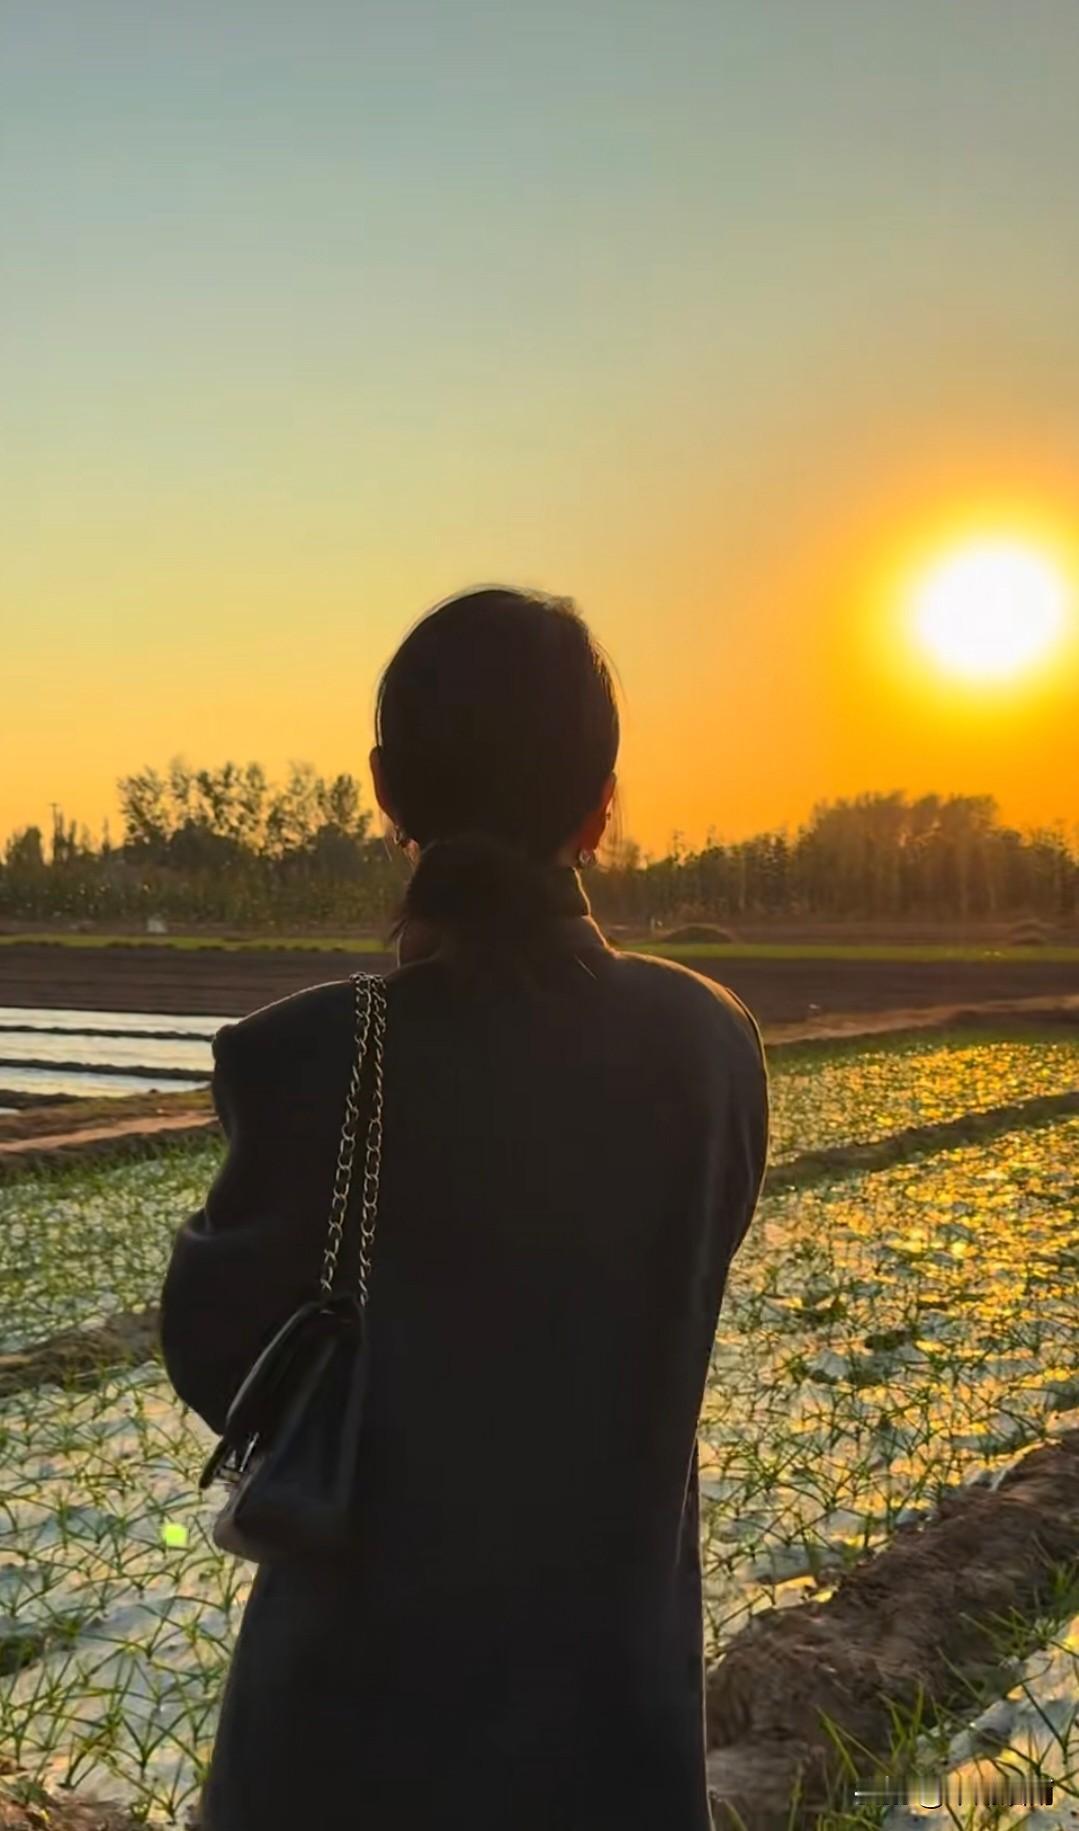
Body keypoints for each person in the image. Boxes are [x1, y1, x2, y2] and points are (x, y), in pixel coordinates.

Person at [159, 584, 770, 1831]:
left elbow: (219, 1358)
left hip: (339, 1752)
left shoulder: (307, 1058)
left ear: (386, 791)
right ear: (602, 803)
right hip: (610, 1744)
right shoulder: (708, 1045)